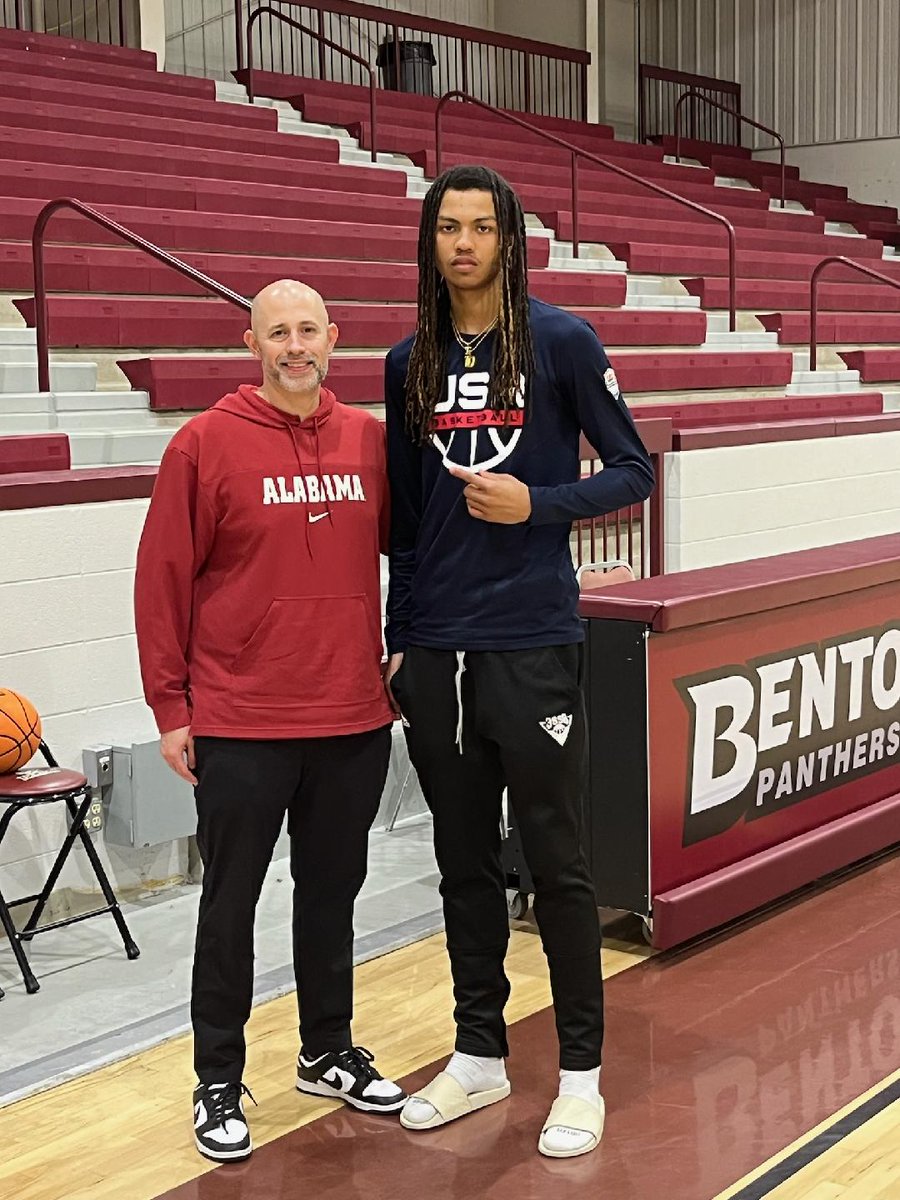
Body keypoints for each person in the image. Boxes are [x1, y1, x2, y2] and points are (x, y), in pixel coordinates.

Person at [384, 166, 654, 1159]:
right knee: (462, 866)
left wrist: (538, 505)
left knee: (558, 864)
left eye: (481, 227)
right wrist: (399, 640)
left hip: (534, 643)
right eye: (447, 227)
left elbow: (634, 469)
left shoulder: (564, 343)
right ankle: (477, 1053)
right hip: (438, 657)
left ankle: (580, 1077)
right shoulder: (405, 359)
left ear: (509, 239)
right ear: (430, 239)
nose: (464, 243)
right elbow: (407, 527)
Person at [134, 279, 406, 1164]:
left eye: (307, 331)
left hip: (351, 715)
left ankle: (327, 1049)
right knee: (230, 905)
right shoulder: (203, 444)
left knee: (332, 897)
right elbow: (161, 582)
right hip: (241, 717)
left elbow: (417, 551)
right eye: (276, 333)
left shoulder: (369, 440)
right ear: (250, 345)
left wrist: (406, 643)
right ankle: (218, 1078)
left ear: (335, 337)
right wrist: (170, 706)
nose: (294, 346)